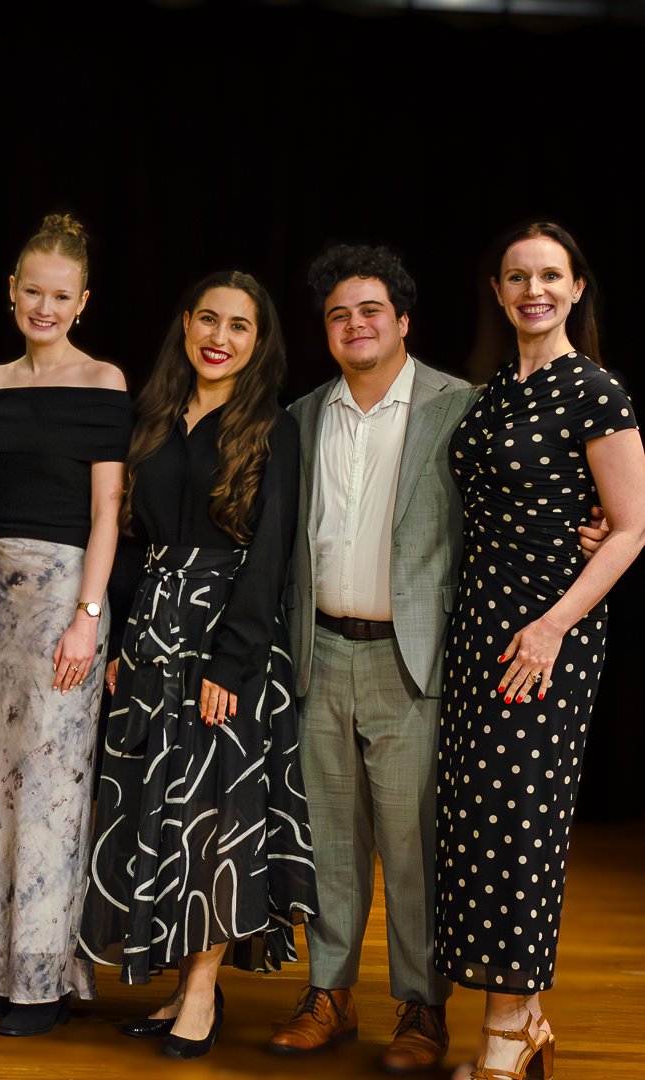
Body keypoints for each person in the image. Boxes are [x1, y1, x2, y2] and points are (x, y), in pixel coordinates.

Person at [77, 270, 316, 1060]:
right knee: (162, 813)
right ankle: (181, 981)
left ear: (259, 342)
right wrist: (122, 640)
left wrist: (231, 662)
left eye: (239, 326)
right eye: (208, 320)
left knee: (216, 820)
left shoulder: (272, 428)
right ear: (185, 326)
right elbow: (128, 540)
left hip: (228, 642)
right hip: (151, 635)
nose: (220, 336)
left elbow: (271, 553)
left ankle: (205, 990)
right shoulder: (150, 419)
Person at [436, 223, 645, 1080]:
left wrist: (555, 625)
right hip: (480, 627)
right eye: (518, 276)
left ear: (577, 287)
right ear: (497, 290)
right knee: (477, 824)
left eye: (550, 275)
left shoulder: (595, 390)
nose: (534, 289)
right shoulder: (491, 394)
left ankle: (505, 1033)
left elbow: (629, 529)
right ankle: (524, 1016)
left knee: (522, 825)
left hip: (548, 636)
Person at [264, 244, 466, 1068]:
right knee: (331, 840)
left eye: (370, 310)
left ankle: (421, 1010)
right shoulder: (305, 414)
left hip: (409, 660)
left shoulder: (458, 406)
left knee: (414, 846)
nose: (354, 325)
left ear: (403, 320)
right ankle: (330, 993)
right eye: (339, 314)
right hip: (321, 652)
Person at [0, 214, 128, 1038]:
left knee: (52, 791)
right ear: (11, 292)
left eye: (60, 296)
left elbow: (109, 512)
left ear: (81, 301)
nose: (44, 307)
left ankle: (41, 980)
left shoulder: (104, 382)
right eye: (32, 292)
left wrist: (88, 619)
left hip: (63, 598)